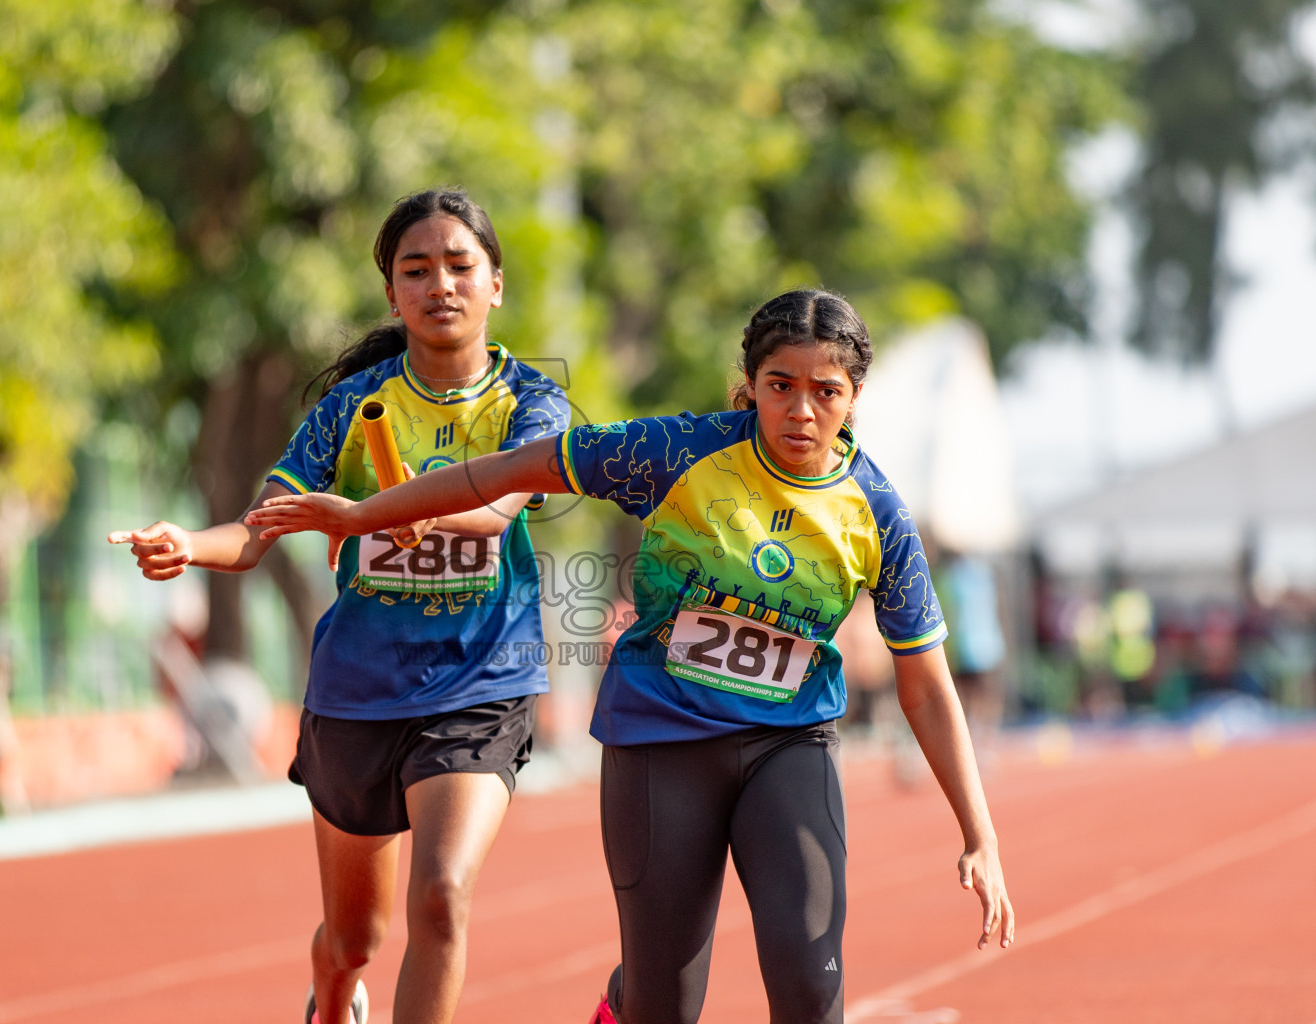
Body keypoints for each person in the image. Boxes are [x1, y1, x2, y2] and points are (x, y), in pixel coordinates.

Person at [249, 287, 1016, 1024]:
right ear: (749, 386)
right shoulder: (674, 452)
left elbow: (925, 686)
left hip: (787, 744)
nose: (802, 410)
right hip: (661, 741)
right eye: (781, 385)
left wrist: (978, 832)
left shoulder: (876, 510)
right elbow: (509, 471)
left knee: (812, 987)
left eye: (827, 391)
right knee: (663, 1006)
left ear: (854, 399)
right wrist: (364, 513)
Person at [110, 189, 570, 1024]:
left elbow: (501, 507)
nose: (441, 286)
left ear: (495, 284)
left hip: (478, 685)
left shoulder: (531, 405)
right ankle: (331, 996)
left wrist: (369, 515)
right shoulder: (348, 412)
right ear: (391, 293)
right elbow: (256, 533)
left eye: (461, 266)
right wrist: (187, 542)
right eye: (416, 270)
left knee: (441, 896)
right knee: (358, 935)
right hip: (357, 693)